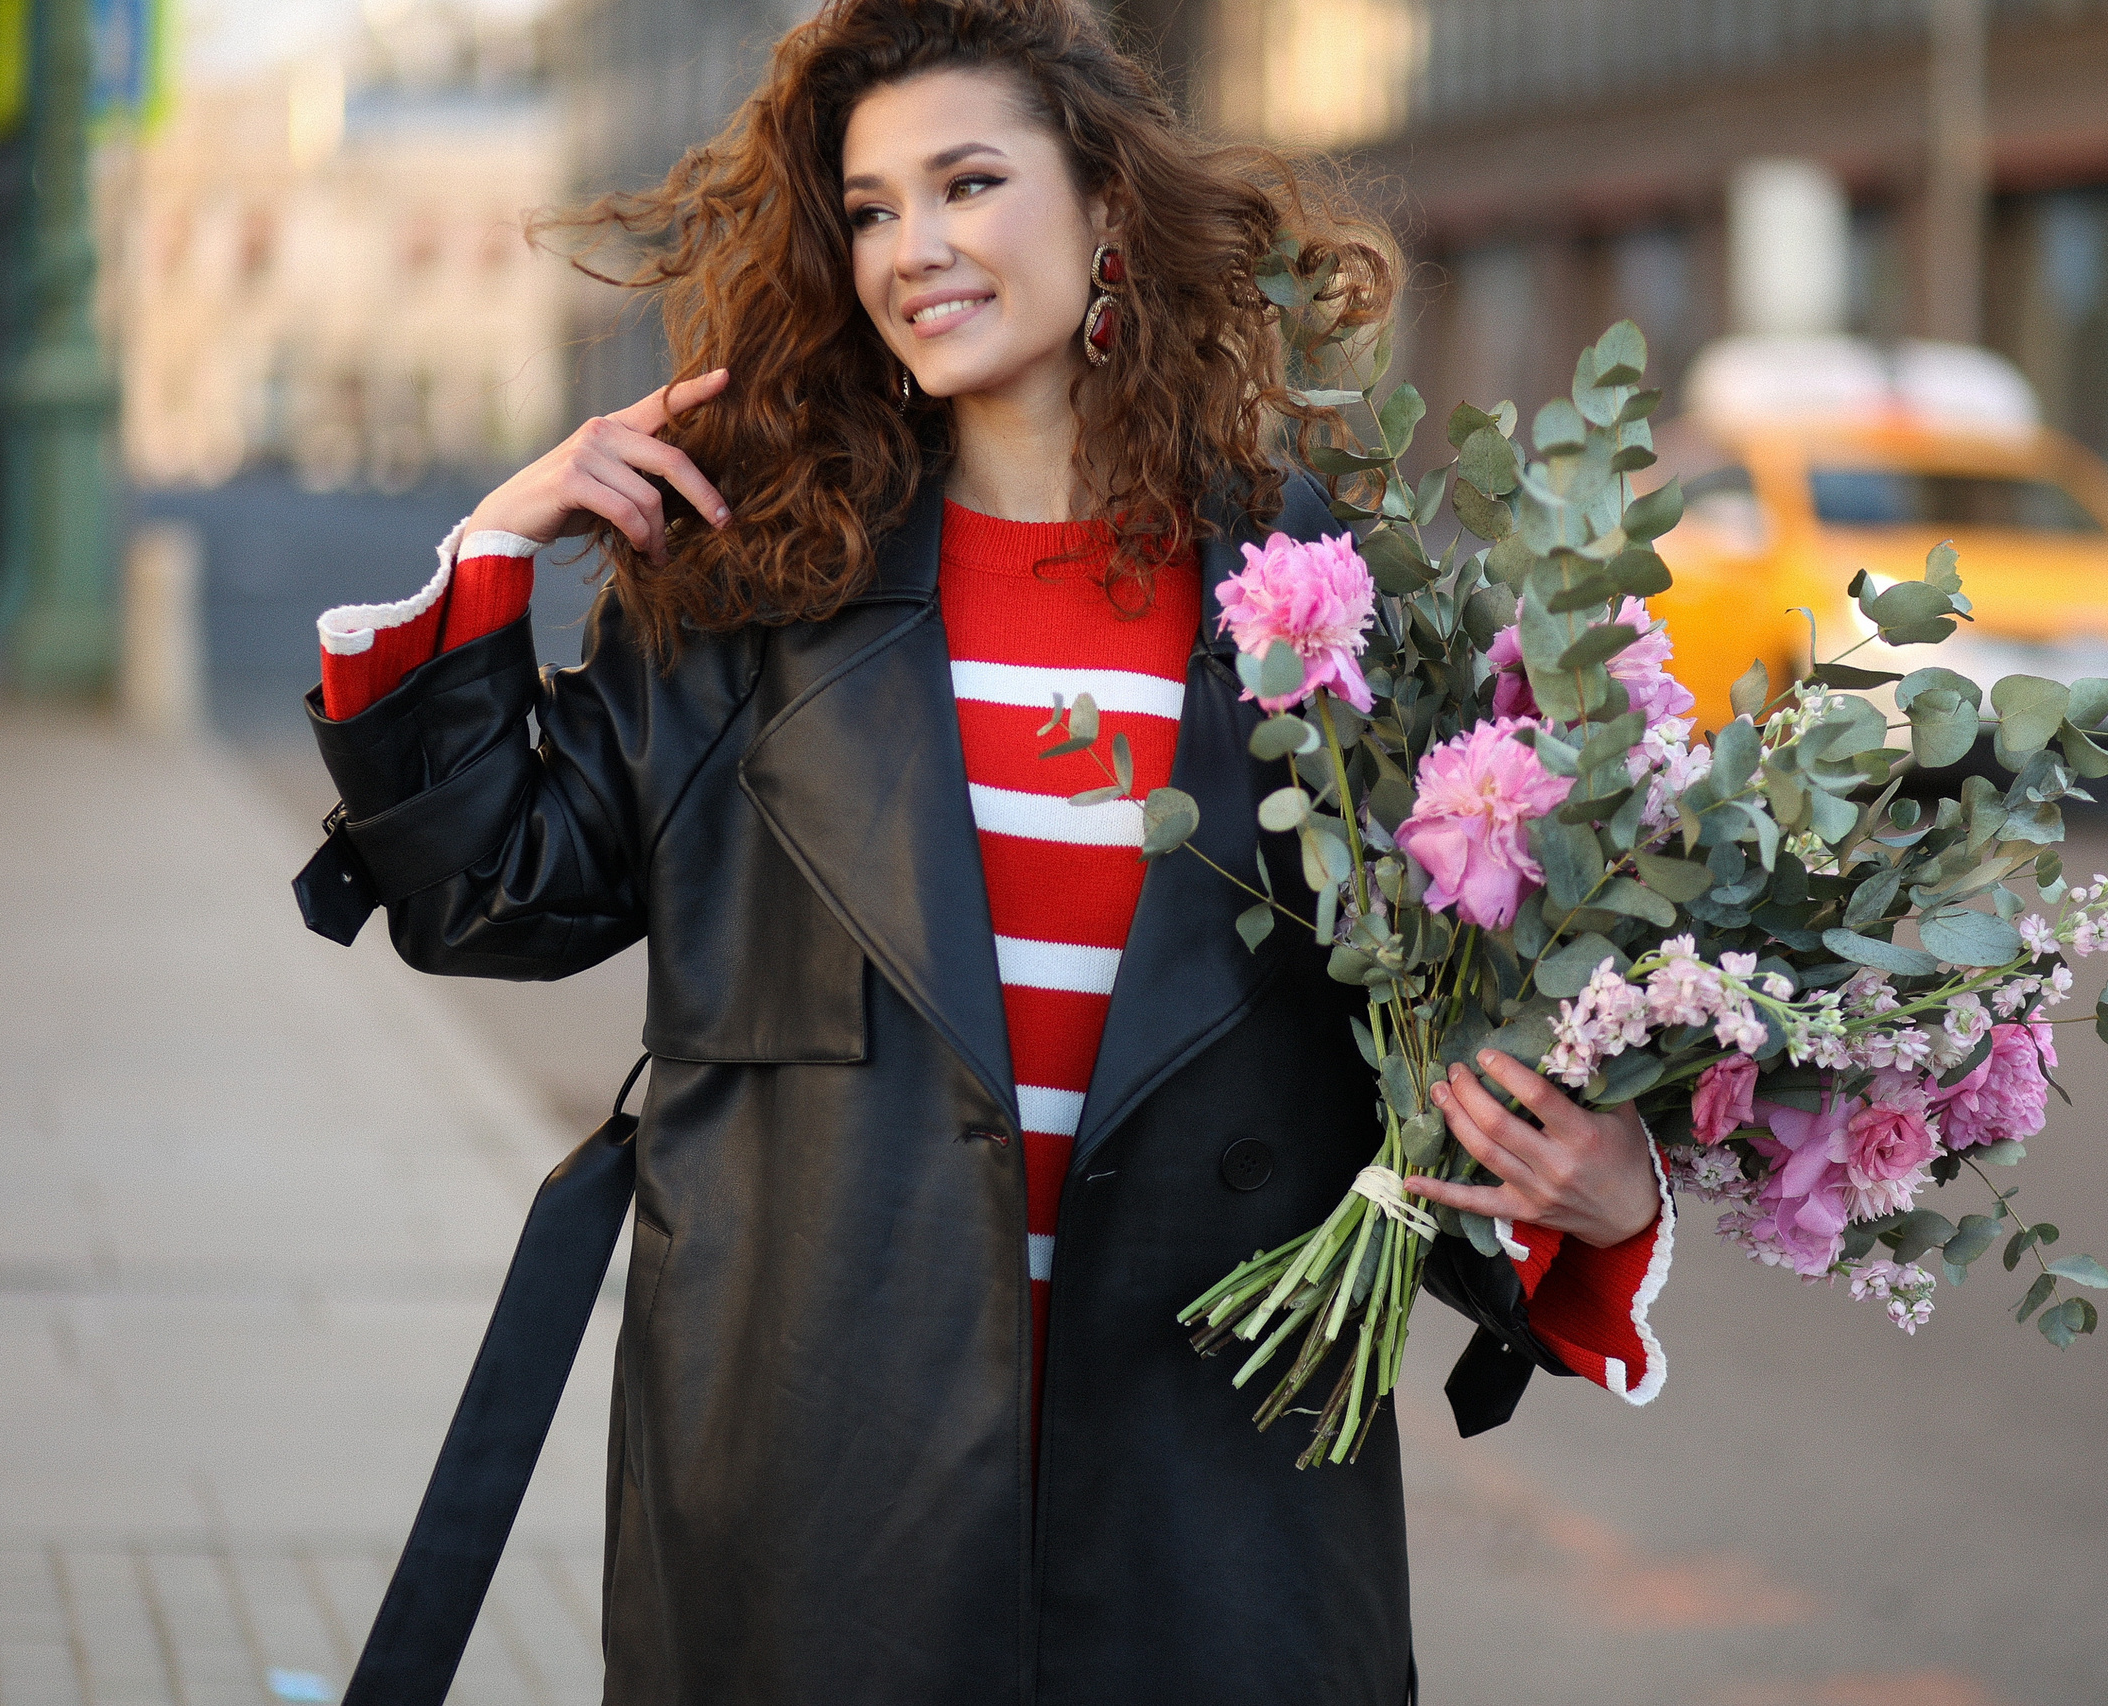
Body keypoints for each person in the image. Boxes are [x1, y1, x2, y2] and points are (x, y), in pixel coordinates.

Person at [305, 2, 1672, 1699]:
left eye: (967, 184)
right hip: (813, 1504)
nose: (914, 248)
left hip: (1215, 1522)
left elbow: (1423, 1070)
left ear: (1106, 206)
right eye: (873, 209)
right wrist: (499, 545)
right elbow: (485, 890)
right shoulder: (756, 593)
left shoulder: (1326, 599)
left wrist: (1604, 1198)